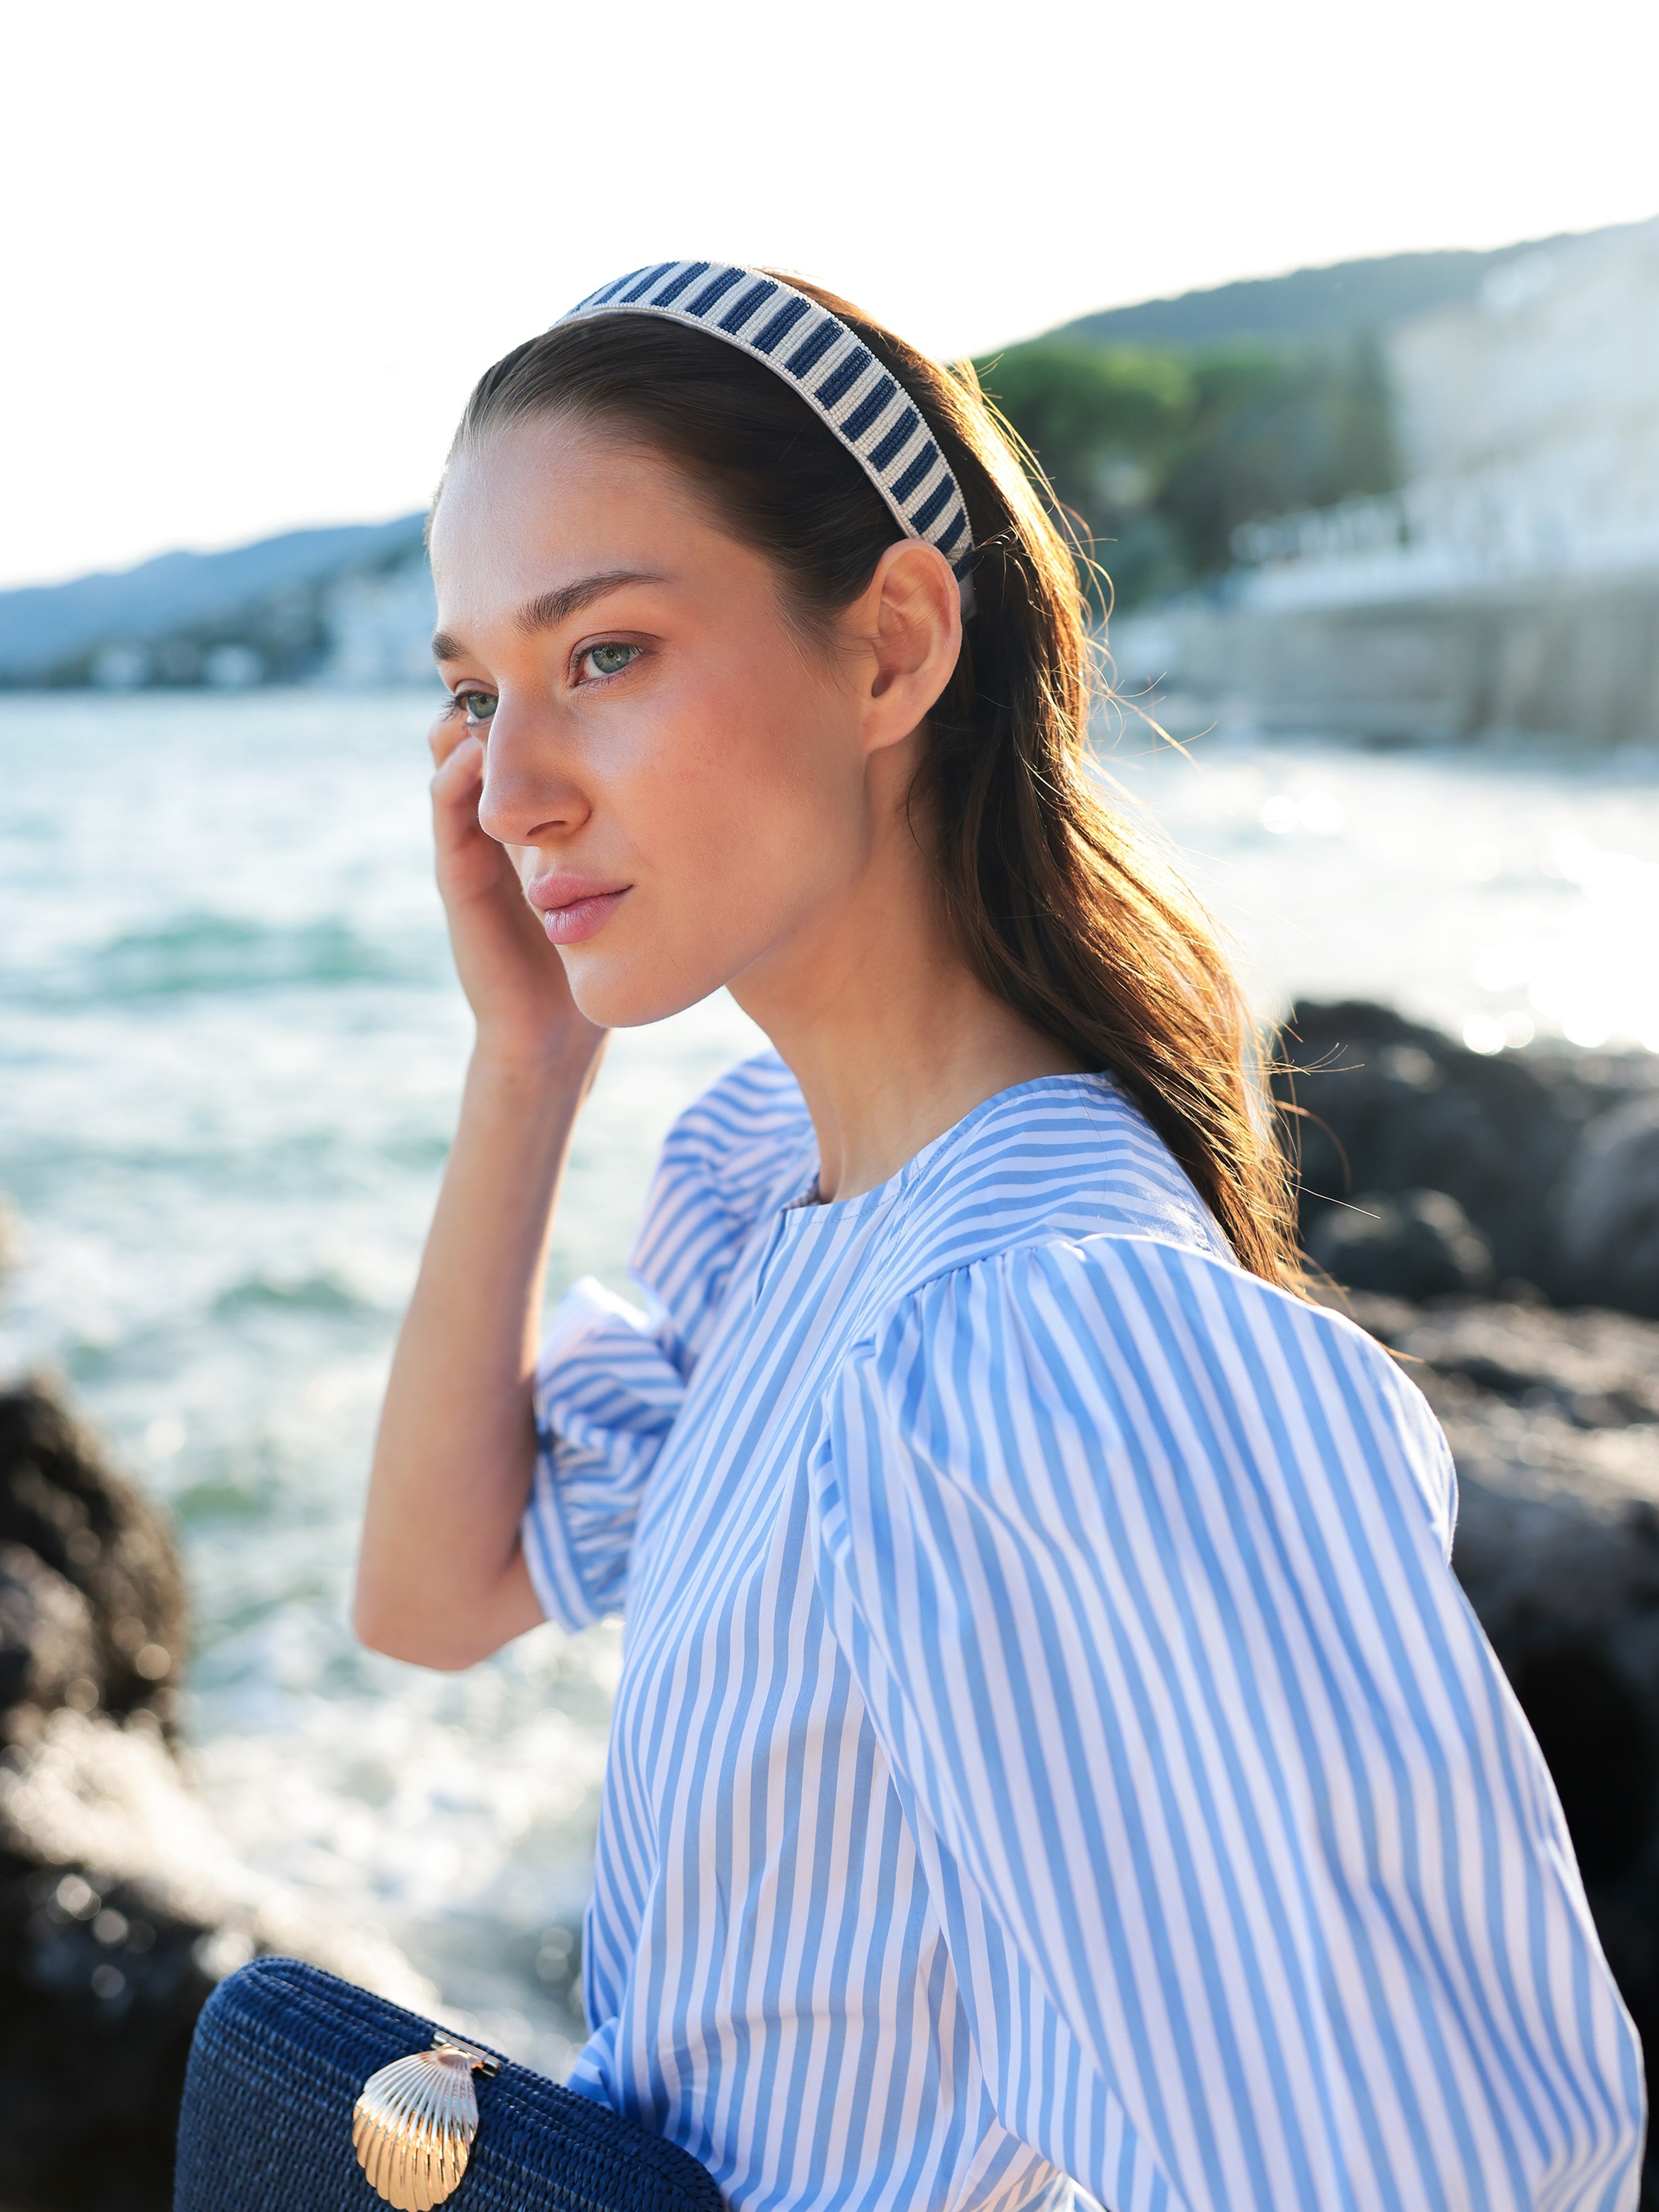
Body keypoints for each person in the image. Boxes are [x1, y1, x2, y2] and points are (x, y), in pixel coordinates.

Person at [354, 262, 1642, 2211]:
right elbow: (432, 1600)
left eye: (602, 655)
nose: (514, 791)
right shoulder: (777, 1202)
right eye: (474, 694)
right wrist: (521, 1061)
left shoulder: (1035, 1340)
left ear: (888, 646)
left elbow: (1413, 2173)